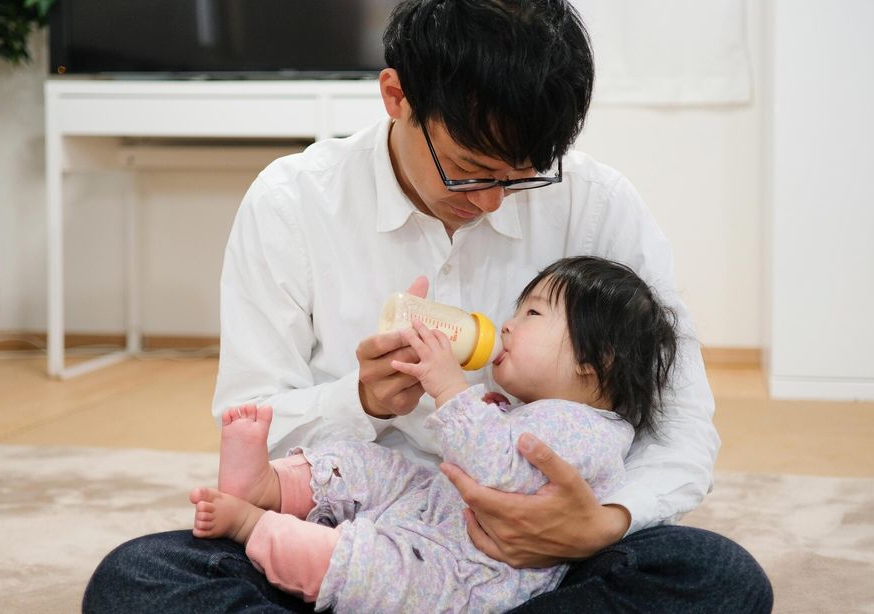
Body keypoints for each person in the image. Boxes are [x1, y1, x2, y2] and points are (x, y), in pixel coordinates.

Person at [83, 1, 773, 612]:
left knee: (715, 577)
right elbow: (252, 422)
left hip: (538, 561)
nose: (492, 200)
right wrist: (360, 401)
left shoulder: (599, 205)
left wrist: (602, 524)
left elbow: (681, 426)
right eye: (470, 167)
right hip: (349, 538)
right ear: (396, 97)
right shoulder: (293, 202)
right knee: (138, 581)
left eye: (523, 176)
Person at [188, 256, 677, 612]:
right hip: (433, 508)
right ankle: (269, 485)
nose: (506, 327)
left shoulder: (592, 432)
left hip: (460, 571)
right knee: (369, 463)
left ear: (597, 361)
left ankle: (254, 527)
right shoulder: (545, 411)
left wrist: (450, 388)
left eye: (532, 314)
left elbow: (502, 473)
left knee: (708, 568)